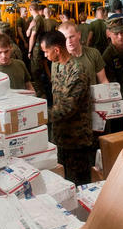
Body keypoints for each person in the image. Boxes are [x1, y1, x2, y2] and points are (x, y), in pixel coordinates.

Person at [40, 30, 93, 185]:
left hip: (76, 140)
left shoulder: (77, 71)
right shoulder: (57, 66)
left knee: (78, 183)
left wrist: (38, 116)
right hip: (61, 136)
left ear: (56, 50)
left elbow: (67, 108)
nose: (45, 56)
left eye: (46, 52)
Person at [58, 21, 108, 86]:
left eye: (72, 36)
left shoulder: (93, 53)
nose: (69, 41)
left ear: (79, 35)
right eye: (65, 38)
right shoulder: (58, 59)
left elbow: (103, 80)